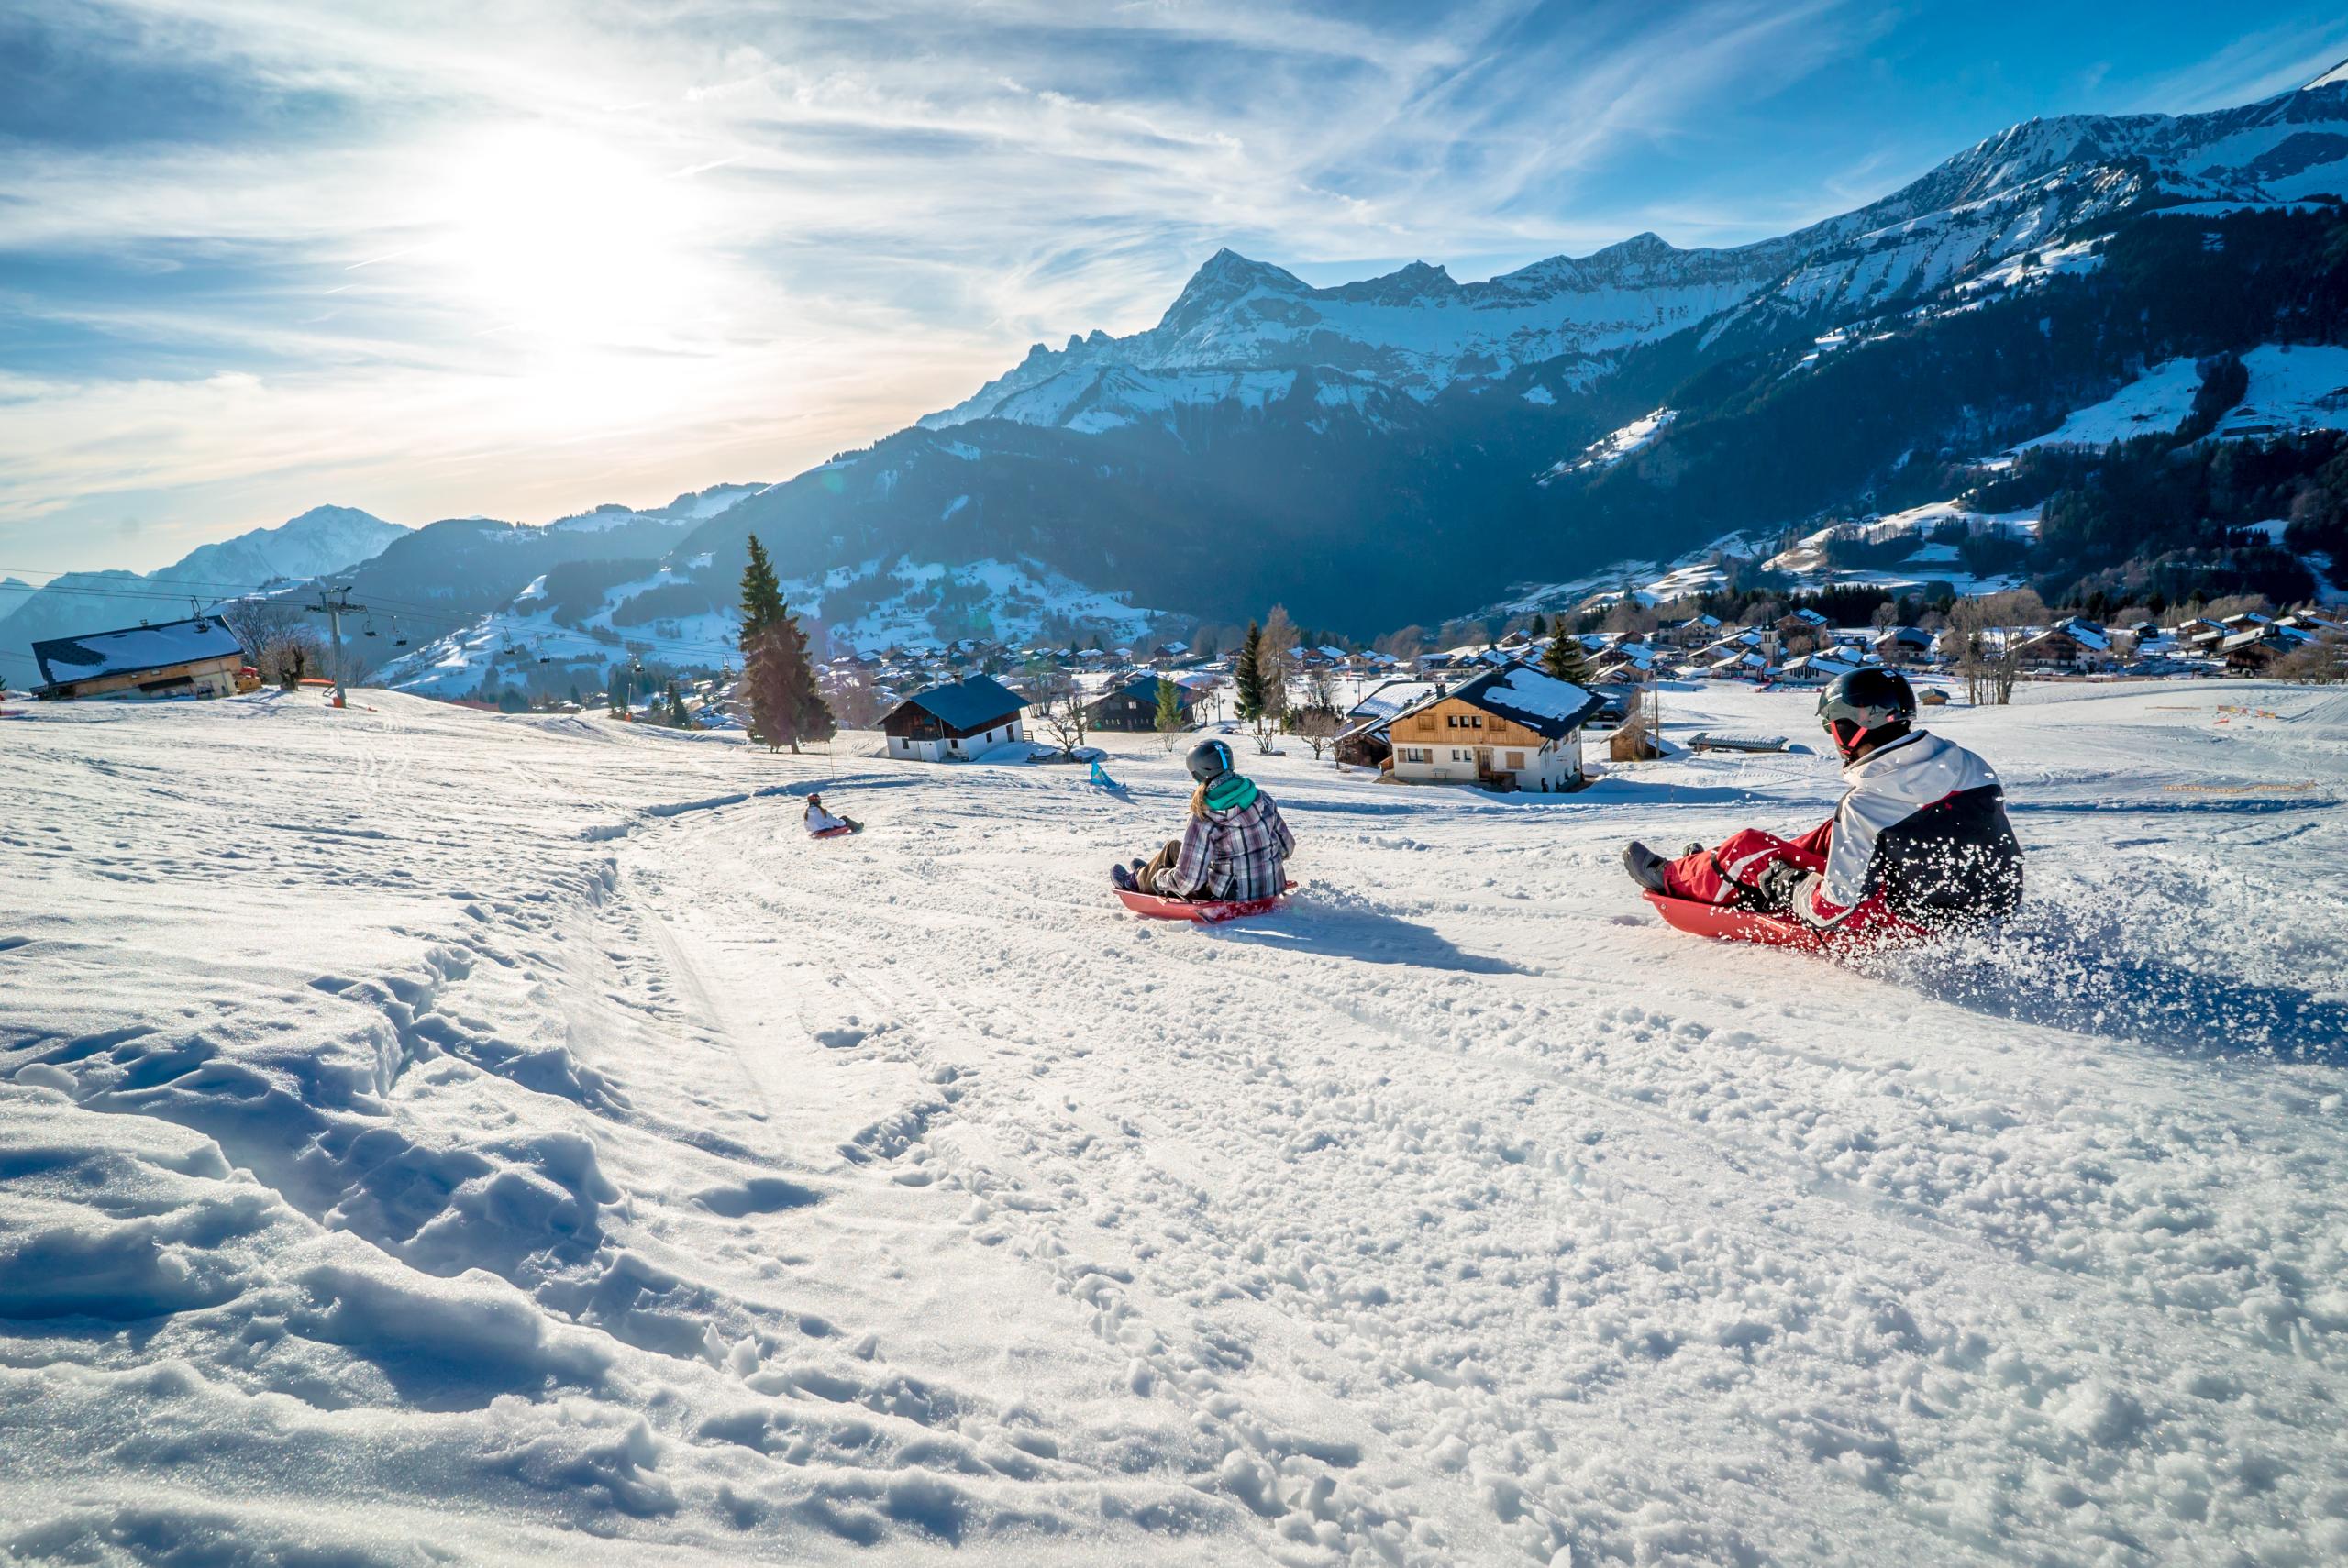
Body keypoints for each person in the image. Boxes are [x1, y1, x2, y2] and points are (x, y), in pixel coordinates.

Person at [1623, 668, 2021, 931]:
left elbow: (1830, 909)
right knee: (1833, 835)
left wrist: (1783, 883)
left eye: (1833, 727)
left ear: (1853, 726)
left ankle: (1687, 876)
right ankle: (1717, 865)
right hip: (1978, 913)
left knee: (1750, 848)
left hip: (1898, 928)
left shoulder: (1869, 803)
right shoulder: (1967, 764)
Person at [1113, 739, 1295, 901]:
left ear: (1197, 773)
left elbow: (1187, 883)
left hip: (1230, 896)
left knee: (1169, 855)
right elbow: (1287, 848)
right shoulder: (1262, 798)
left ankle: (1140, 878)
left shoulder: (1205, 817)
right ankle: (1146, 872)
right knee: (1174, 848)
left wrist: (1160, 878)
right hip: (1271, 887)